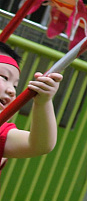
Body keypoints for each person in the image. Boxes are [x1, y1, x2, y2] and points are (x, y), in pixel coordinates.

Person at [0, 42, 62, 173]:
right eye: (4, 77)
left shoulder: (2, 131)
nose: (12, 91)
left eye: (15, 85)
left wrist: (43, 102)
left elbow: (40, 145)